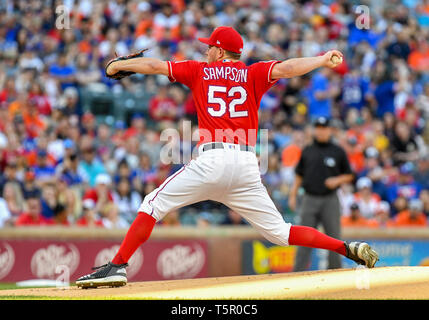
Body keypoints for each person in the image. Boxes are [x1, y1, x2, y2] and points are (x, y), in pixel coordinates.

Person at [76, 26, 378, 288]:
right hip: (247, 165)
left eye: (210, 47)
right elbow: (288, 68)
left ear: (220, 52)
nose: (207, 51)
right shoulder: (253, 72)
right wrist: (322, 59)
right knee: (280, 232)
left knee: (152, 205)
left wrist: (117, 65)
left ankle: (116, 266)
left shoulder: (199, 70)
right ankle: (346, 248)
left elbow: (156, 67)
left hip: (213, 159)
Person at [289, 116, 355, 271]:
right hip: (309, 198)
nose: (320, 131)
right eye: (317, 128)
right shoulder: (308, 150)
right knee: (303, 238)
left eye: (323, 128)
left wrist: (337, 180)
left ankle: (336, 273)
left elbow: (350, 175)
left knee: (334, 238)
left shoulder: (337, 151)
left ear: (329, 130)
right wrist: (292, 195)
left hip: (330, 199)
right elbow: (299, 174)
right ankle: (297, 274)